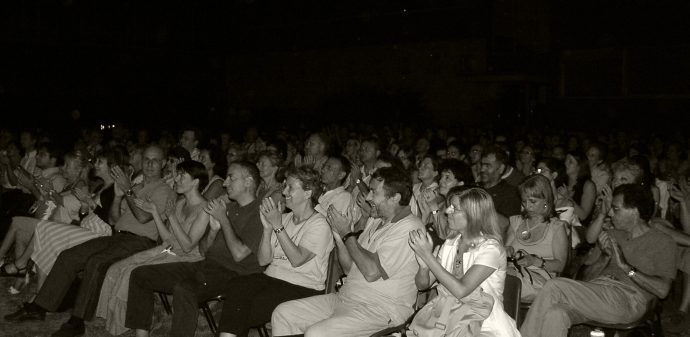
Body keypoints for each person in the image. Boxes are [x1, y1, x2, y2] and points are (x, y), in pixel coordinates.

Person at [4, 145, 176, 337]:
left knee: (95, 262)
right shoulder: (137, 187)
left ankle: (77, 321)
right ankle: (39, 307)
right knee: (69, 256)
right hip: (117, 236)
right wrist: (119, 198)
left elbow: (144, 218)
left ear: (163, 164)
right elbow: (113, 220)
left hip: (140, 242)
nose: (150, 164)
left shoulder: (164, 190)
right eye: (147, 159)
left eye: (155, 160)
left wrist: (127, 191)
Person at [271, 167, 424, 336]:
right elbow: (349, 269)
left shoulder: (409, 228)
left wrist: (348, 234)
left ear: (395, 198)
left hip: (380, 309)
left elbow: (371, 272)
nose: (368, 197)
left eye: (374, 192)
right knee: (283, 313)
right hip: (346, 298)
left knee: (317, 333)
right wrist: (339, 236)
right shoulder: (375, 221)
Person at [124, 161, 264, 337]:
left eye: (231, 178)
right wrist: (213, 231)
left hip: (234, 274)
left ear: (248, 181)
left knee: (185, 289)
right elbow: (204, 251)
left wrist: (223, 220)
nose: (225, 183)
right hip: (206, 264)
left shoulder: (259, 212)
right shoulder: (228, 208)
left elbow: (239, 255)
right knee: (140, 275)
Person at [520, 184, 677, 337]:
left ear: (634, 211)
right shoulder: (611, 235)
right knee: (556, 314)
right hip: (599, 293)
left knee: (554, 286)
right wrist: (604, 257)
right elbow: (585, 279)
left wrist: (626, 267)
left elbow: (663, 291)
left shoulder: (662, 241)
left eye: (616, 209)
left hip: (628, 300)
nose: (610, 214)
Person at [215, 166, 334, 337]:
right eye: (285, 186)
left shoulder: (319, 224)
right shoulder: (284, 217)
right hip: (272, 277)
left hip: (302, 286)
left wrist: (277, 226)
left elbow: (297, 259)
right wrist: (267, 229)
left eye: (290, 187)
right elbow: (264, 261)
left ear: (307, 193)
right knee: (238, 285)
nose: (284, 192)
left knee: (241, 310)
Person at [95, 160, 209, 335]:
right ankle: (112, 323)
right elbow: (168, 241)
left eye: (181, 175)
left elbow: (187, 246)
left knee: (131, 272)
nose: (176, 179)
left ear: (195, 181)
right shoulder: (180, 204)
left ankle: (125, 327)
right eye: (177, 174)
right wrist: (155, 212)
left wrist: (170, 217)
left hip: (187, 259)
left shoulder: (204, 209)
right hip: (168, 250)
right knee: (117, 267)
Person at [408, 187, 520, 336]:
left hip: (484, 324)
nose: (447, 211)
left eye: (455, 208)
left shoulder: (491, 249)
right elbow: (423, 285)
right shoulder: (450, 244)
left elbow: (461, 290)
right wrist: (424, 267)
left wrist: (428, 257)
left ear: (473, 215)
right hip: (448, 318)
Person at [28, 147, 127, 294]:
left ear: (111, 167)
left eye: (100, 162)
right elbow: (85, 215)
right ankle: (41, 292)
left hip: (99, 234)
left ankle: (40, 292)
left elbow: (112, 221)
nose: (95, 164)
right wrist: (85, 206)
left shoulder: (115, 189)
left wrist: (91, 203)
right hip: (86, 228)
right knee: (44, 229)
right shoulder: (101, 186)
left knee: (47, 229)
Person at [505, 175, 568, 301]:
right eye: (524, 201)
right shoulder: (516, 222)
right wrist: (507, 251)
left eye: (533, 201)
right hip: (514, 275)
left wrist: (535, 261)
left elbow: (560, 265)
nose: (528, 206)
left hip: (540, 283)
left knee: (503, 282)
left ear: (546, 200)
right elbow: (507, 250)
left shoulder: (556, 227)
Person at [480, 145, 521, 238]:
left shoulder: (510, 193)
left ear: (501, 168)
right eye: (482, 165)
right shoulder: (475, 188)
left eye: (488, 166)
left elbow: (506, 226)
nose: (482, 169)